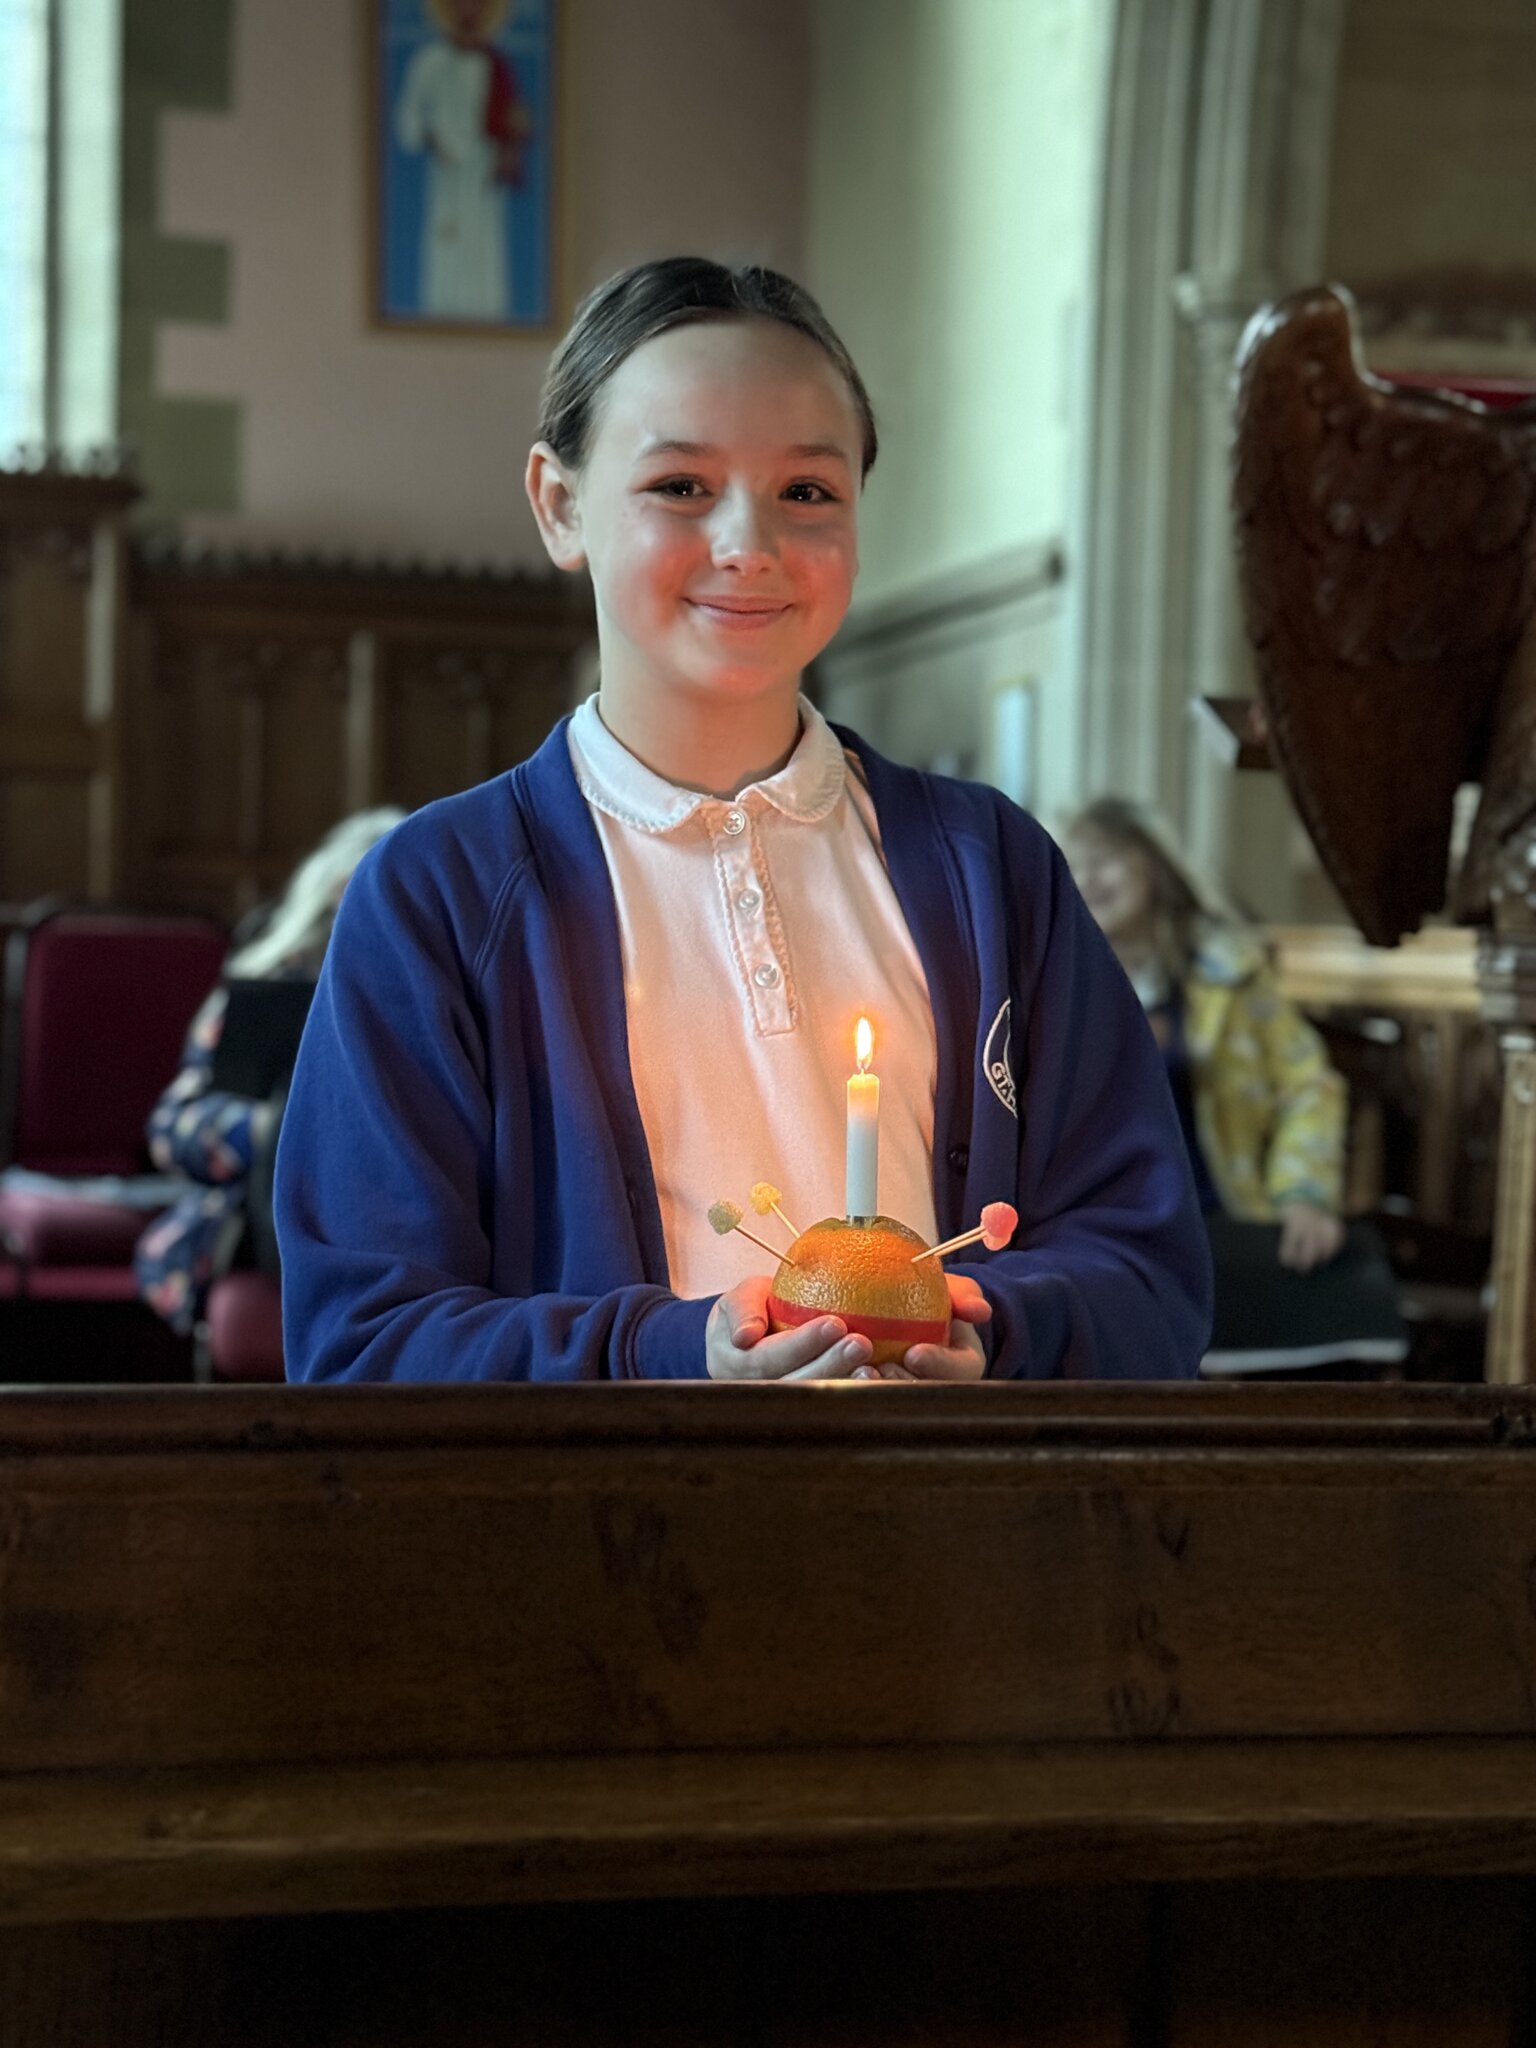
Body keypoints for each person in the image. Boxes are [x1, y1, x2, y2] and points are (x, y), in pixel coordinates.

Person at [276, 257, 1212, 1384]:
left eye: (807, 492)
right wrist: (673, 1354)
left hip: (948, 1531)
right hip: (606, 1544)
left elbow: (1151, 1265)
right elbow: (363, 1339)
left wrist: (995, 1326)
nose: (749, 542)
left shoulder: (989, 869)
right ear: (560, 504)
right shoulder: (439, 893)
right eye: (680, 484)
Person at [1062, 795, 1407, 1372]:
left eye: (1107, 859)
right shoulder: (1058, 977)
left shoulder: (1230, 973)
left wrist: (1303, 1196)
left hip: (1222, 1217)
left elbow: (1309, 1086)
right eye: (1075, 864)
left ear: (1154, 866)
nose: (1089, 878)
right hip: (1101, 1228)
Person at [135, 810, 406, 1337]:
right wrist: (274, 1130)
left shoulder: (442, 993)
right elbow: (172, 1128)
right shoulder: (267, 986)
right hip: (264, 1227)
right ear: (331, 895)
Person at [394, 0, 530, 323]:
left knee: (483, 249)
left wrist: (513, 138)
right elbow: (408, 121)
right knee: (447, 244)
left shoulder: (495, 65)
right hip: (447, 175)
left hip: (483, 173)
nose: (468, 10)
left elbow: (512, 118)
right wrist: (433, 138)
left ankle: (488, 318)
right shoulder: (430, 61)